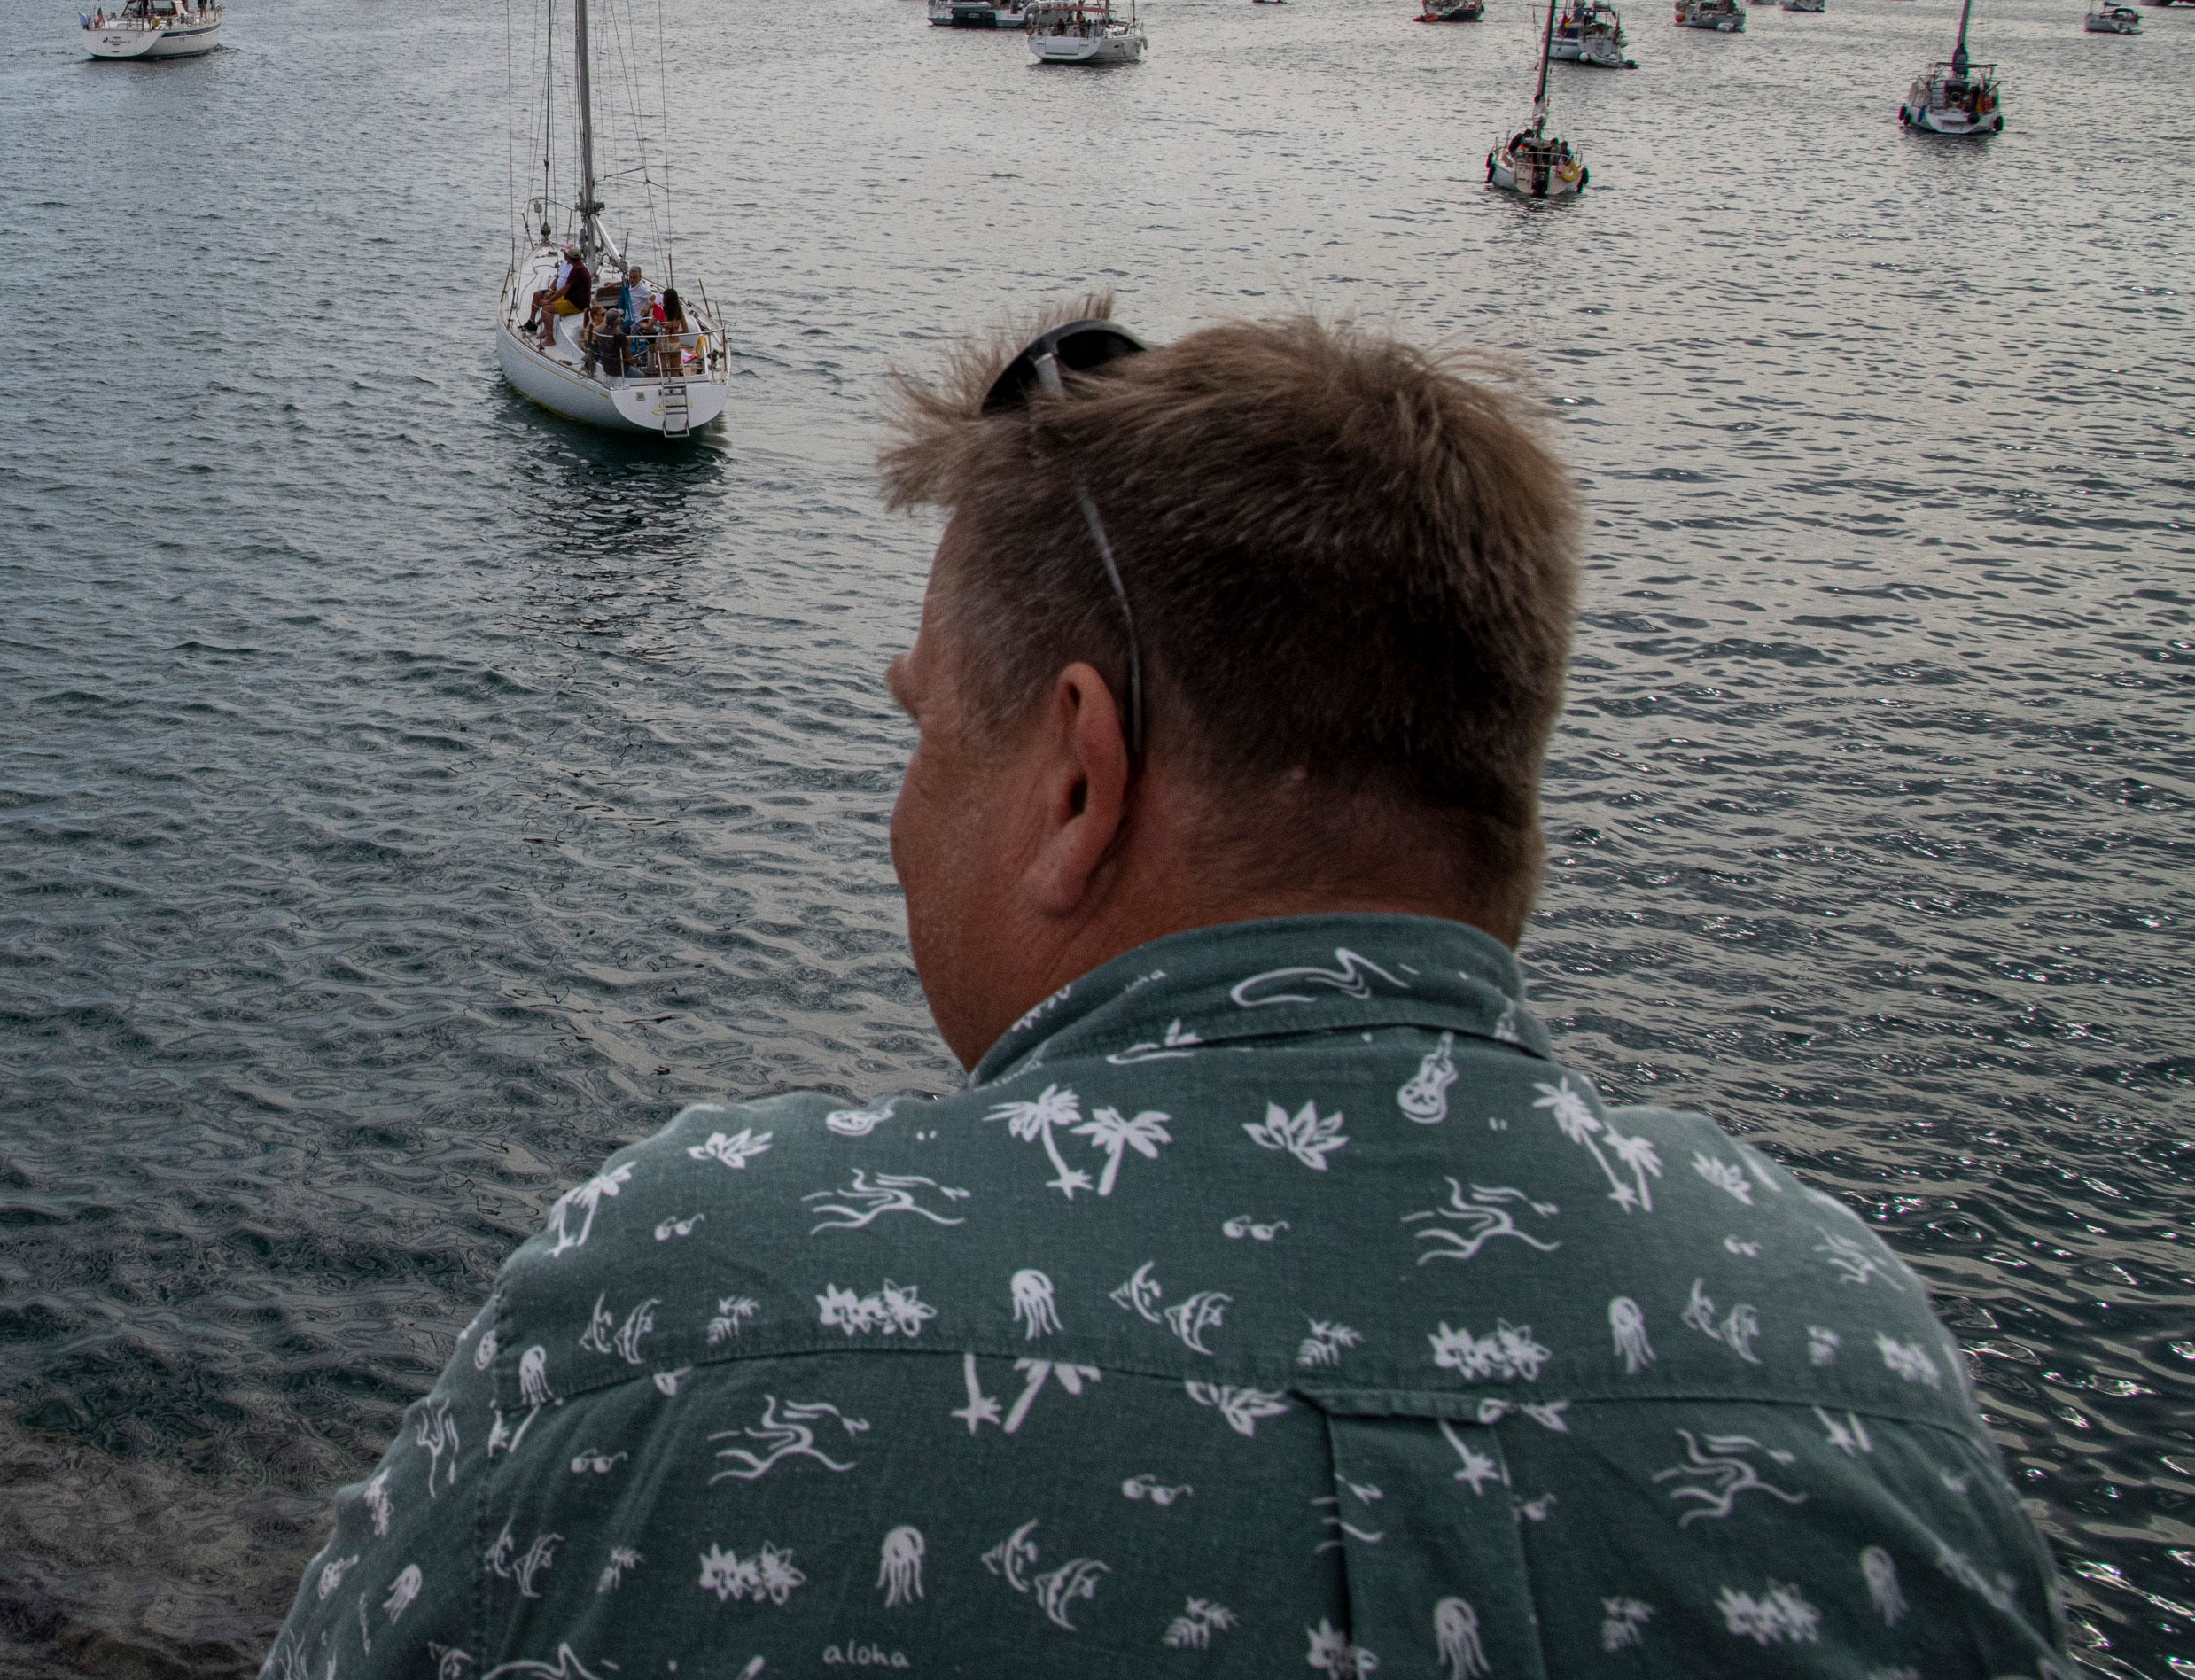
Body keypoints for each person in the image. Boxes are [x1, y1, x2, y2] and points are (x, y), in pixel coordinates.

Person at [266, 306, 2067, 1678]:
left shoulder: (691, 1307)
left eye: (924, 735)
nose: (900, 821)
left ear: (1075, 781)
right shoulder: (1862, 1375)